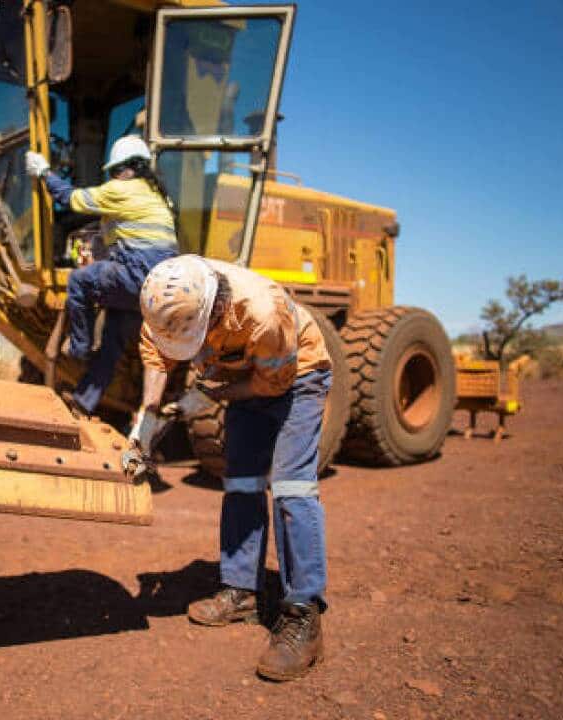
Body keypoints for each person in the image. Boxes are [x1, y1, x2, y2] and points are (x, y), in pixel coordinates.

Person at [131, 254, 333, 681]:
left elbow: (269, 385)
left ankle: (303, 614)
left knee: (291, 487)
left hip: (296, 376)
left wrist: (200, 399)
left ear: (216, 310)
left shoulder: (263, 313)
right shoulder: (166, 296)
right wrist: (146, 423)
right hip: (240, 374)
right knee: (241, 483)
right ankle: (242, 592)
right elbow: (155, 356)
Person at [25, 136, 178, 417]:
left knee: (79, 281)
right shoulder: (157, 195)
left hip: (137, 275)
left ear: (128, 168)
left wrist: (44, 173)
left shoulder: (122, 189)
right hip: (160, 287)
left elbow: (71, 199)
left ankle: (80, 349)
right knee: (112, 341)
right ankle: (83, 402)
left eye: (115, 171)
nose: (113, 176)